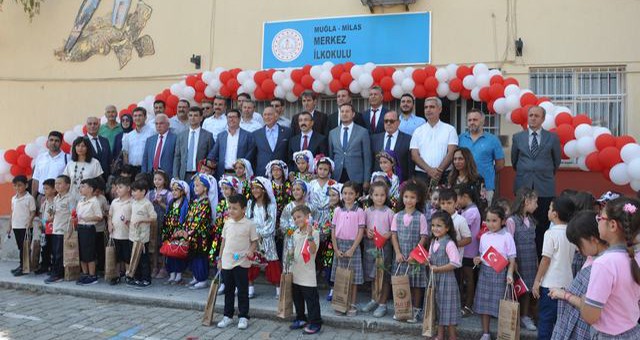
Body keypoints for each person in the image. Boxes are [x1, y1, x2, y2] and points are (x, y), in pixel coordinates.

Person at [580, 197, 640, 338]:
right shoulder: (636, 256)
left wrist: (583, 299)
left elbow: (590, 316)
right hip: (633, 331)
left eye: (599, 217)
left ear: (612, 225)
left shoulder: (605, 263)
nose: (598, 220)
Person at [511, 105, 562, 257]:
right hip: (523, 186)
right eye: (531, 115)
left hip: (544, 187)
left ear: (543, 119)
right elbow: (514, 161)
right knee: (521, 223)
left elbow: (556, 161)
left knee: (542, 226)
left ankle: (541, 257)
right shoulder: (518, 137)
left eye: (536, 116)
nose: (533, 118)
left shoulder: (552, 138)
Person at [548, 210, 606, 340]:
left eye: (579, 244)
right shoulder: (593, 257)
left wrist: (564, 295)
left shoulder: (602, 267)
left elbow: (593, 307)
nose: (578, 249)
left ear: (593, 239)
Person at [532, 195, 577, 340]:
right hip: (567, 284)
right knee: (561, 322)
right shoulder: (571, 233)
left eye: (550, 208)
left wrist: (537, 281)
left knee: (545, 321)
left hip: (550, 284)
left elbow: (546, 259)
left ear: (555, 214)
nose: (548, 211)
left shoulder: (550, 233)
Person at [473, 205, 517, 340]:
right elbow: (483, 254)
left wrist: (509, 274)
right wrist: (478, 259)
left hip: (500, 273)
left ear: (503, 221)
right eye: (488, 220)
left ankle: (502, 333)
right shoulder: (484, 236)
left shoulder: (507, 236)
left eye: (494, 220)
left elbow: (512, 258)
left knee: (500, 305)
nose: (490, 224)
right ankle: (485, 333)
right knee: (484, 304)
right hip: (485, 273)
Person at [216, 194, 259, 330]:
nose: (231, 211)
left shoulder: (250, 224)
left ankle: (243, 316)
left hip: (242, 262)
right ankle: (227, 316)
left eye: (235, 208)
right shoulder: (227, 223)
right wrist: (220, 258)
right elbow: (223, 241)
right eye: (229, 208)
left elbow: (254, 241)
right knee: (228, 290)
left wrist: (251, 250)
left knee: (242, 290)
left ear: (244, 209)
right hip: (227, 261)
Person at [390, 179, 429, 323]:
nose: (409, 200)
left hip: (415, 256)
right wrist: (398, 253)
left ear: (418, 199)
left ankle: (416, 310)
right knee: (401, 282)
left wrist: (414, 254)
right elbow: (393, 235)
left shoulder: (421, 217)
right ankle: (402, 308)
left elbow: (424, 237)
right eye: (406, 197)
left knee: (416, 283)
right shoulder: (397, 216)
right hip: (401, 256)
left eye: (412, 197)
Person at [506, 187, 539, 331]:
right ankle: (515, 316)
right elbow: (509, 241)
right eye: (535, 202)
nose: (537, 205)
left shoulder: (531, 220)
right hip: (519, 259)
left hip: (531, 258)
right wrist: (514, 263)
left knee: (528, 288)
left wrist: (537, 259)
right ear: (526, 201)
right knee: (519, 288)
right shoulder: (512, 221)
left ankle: (525, 316)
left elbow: (533, 242)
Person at [330, 182, 365, 316]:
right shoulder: (338, 210)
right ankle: (340, 303)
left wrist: (352, 249)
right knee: (341, 276)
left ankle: (352, 303)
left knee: (353, 277)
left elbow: (361, 231)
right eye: (345, 193)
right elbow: (333, 230)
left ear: (356, 195)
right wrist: (335, 248)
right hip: (339, 244)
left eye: (351, 193)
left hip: (353, 246)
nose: (347, 196)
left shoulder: (360, 211)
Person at [360, 181, 394, 318]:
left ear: (386, 196)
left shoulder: (390, 212)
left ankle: (383, 303)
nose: (379, 198)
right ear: (371, 196)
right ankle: (374, 299)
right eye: (376, 195)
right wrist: (366, 232)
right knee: (373, 274)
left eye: (382, 195)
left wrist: (388, 234)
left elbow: (393, 230)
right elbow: (363, 228)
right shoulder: (367, 211)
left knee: (384, 275)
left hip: (384, 247)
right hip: (370, 245)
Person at [287, 205, 323, 335]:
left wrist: (309, 235)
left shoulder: (315, 232)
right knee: (298, 298)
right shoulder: (295, 233)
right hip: (296, 271)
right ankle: (301, 318)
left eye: (299, 217)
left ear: (308, 217)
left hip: (307, 274)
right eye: (295, 218)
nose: (297, 220)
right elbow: (294, 249)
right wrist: (290, 254)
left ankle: (315, 322)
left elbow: (313, 250)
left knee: (311, 300)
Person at [458, 109, 504, 204]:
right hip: (463, 185)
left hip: (485, 186)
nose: (472, 122)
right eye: (469, 120)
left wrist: (487, 171)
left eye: (475, 120)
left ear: (483, 121)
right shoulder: (460, 138)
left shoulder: (493, 140)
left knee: (484, 214)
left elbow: (500, 164)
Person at [428, 211, 462, 340]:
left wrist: (438, 269)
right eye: (433, 225)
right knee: (439, 308)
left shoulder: (449, 243)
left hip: (447, 281)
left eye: (439, 226)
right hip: (436, 280)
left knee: (449, 310)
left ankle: (453, 337)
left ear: (447, 228)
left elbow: (455, 263)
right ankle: (440, 336)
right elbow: (431, 258)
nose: (435, 228)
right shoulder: (433, 241)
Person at [246, 177, 281, 298]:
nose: (254, 190)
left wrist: (259, 233)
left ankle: (278, 289)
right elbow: (248, 220)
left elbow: (271, 224)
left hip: (267, 239)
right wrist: (253, 234)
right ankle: (250, 287)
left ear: (264, 190)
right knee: (251, 261)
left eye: (257, 188)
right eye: (253, 188)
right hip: (253, 239)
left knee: (272, 261)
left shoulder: (271, 205)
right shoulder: (250, 204)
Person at [410, 97, 458, 185]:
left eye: (432, 107)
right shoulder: (418, 131)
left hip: (444, 174)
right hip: (422, 174)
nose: (428, 110)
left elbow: (452, 153)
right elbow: (414, 155)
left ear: (440, 109)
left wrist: (438, 171)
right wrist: (429, 170)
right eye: (426, 107)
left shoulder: (450, 129)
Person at [184, 175, 216, 289]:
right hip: (192, 235)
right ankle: (196, 276)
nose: (195, 188)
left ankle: (202, 278)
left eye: (198, 186)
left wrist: (191, 230)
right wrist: (186, 229)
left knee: (201, 256)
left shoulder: (205, 202)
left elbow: (201, 219)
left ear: (205, 188)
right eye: (194, 186)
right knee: (193, 255)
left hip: (201, 236)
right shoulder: (195, 201)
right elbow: (189, 217)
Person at [328, 103, 372, 185]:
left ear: (353, 114)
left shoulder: (363, 132)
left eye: (347, 111)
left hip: (356, 176)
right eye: (342, 111)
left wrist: (366, 180)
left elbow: (367, 158)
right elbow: (331, 156)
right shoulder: (332, 133)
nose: (344, 114)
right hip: (337, 175)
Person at [208, 109, 256, 179]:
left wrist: (241, 168)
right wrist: (208, 161)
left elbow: (250, 155)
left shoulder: (248, 136)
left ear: (239, 119)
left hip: (241, 175)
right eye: (229, 117)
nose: (231, 119)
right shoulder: (221, 136)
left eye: (234, 117)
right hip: (223, 175)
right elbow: (213, 153)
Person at [457, 184, 482, 318]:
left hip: (469, 251)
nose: (457, 201)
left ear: (465, 197)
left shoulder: (471, 212)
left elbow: (461, 229)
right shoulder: (467, 210)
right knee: (464, 277)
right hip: (464, 250)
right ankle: (463, 303)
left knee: (469, 277)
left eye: (458, 198)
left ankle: (468, 305)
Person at [126, 179, 157, 288]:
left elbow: (153, 218)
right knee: (134, 257)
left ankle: (146, 279)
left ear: (143, 192)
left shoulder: (147, 204)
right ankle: (137, 277)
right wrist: (128, 222)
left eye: (135, 191)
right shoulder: (133, 203)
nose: (133, 193)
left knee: (143, 259)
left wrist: (142, 220)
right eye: (132, 191)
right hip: (132, 235)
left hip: (143, 237)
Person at [44, 175, 74, 284]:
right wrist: (47, 219)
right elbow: (52, 213)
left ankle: (58, 275)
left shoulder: (70, 198)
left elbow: (73, 214)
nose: (57, 185)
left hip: (64, 230)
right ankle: (55, 271)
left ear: (67, 185)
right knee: (55, 252)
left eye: (60, 183)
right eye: (56, 183)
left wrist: (70, 229)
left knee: (60, 254)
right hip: (55, 229)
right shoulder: (56, 198)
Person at [75, 178, 103, 285]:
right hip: (80, 227)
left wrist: (88, 218)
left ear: (91, 189)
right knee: (81, 252)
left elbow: (99, 216)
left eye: (83, 186)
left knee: (89, 253)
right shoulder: (81, 201)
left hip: (89, 228)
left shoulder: (94, 201)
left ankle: (92, 275)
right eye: (80, 186)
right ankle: (85, 273)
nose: (80, 188)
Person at [173, 107, 214, 180]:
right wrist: (176, 176)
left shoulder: (208, 136)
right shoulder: (181, 136)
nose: (193, 118)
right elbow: (177, 157)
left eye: (195, 115)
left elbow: (211, 157)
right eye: (190, 115)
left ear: (201, 118)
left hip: (201, 175)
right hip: (183, 175)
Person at [370, 110, 413, 181]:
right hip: (378, 182)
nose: (388, 123)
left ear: (398, 123)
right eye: (386, 121)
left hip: (400, 182)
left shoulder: (408, 139)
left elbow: (410, 164)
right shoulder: (375, 138)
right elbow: (371, 160)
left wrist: (409, 181)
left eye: (391, 121)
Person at [162, 179, 190, 285]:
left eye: (176, 190)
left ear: (182, 192)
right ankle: (171, 274)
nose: (173, 192)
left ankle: (178, 275)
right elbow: (167, 215)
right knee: (170, 253)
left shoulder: (185, 204)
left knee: (178, 253)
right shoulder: (171, 203)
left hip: (180, 232)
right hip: (170, 232)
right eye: (172, 190)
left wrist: (182, 231)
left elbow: (186, 218)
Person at [9, 176, 36, 277]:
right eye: (15, 186)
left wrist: (30, 221)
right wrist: (9, 226)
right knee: (21, 247)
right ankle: (22, 265)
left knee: (25, 248)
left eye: (20, 185)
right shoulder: (13, 198)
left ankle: (24, 268)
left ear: (26, 185)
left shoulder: (29, 198)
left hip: (25, 227)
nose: (17, 188)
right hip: (16, 226)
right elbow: (12, 212)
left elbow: (33, 211)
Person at [253, 106, 292, 177]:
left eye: (270, 114)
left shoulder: (287, 132)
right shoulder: (256, 134)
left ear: (276, 116)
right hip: (262, 174)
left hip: (282, 175)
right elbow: (253, 156)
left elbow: (290, 154)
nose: (267, 117)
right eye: (265, 115)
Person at [107, 177, 132, 285]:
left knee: (127, 256)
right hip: (115, 234)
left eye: (120, 187)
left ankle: (128, 274)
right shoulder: (114, 202)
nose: (118, 190)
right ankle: (116, 275)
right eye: (117, 188)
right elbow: (110, 215)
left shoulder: (132, 202)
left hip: (127, 234)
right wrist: (109, 224)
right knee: (116, 257)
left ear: (128, 188)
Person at [147, 170, 171, 279]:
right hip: (153, 223)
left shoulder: (168, 193)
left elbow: (170, 209)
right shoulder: (150, 193)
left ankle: (164, 267)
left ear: (165, 181)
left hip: (164, 222)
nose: (157, 181)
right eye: (155, 179)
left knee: (163, 245)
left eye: (160, 179)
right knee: (154, 244)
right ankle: (154, 266)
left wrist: (161, 203)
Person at [63, 137, 103, 201]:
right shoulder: (70, 163)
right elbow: (65, 181)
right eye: (78, 146)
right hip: (72, 198)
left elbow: (100, 182)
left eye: (83, 146)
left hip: (88, 198)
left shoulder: (94, 162)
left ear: (88, 148)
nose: (80, 148)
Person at [266, 160, 291, 261]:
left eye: (278, 170)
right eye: (273, 170)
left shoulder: (288, 185)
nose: (276, 172)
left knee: (282, 241)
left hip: (284, 217)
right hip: (271, 217)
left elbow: (290, 201)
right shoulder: (268, 185)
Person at [438, 188, 472, 261]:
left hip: (454, 261)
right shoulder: (436, 219)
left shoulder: (461, 220)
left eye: (449, 203)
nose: (446, 206)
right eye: (443, 203)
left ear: (456, 203)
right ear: (439, 204)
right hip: (438, 260)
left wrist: (452, 245)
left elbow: (468, 239)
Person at [32, 131, 67, 198]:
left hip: (59, 197)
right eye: (51, 140)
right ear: (47, 142)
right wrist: (33, 198)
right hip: (41, 197)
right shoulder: (41, 157)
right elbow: (35, 179)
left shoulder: (67, 158)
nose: (53, 143)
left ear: (61, 143)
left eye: (57, 141)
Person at [142, 114, 177, 178]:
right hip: (151, 175)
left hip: (167, 175)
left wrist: (174, 176)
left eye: (161, 123)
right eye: (156, 124)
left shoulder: (175, 138)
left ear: (168, 124)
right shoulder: (150, 140)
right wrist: (144, 175)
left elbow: (177, 159)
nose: (158, 126)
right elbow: (145, 159)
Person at [36, 179, 56, 275]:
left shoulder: (55, 202)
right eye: (44, 189)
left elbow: (52, 217)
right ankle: (44, 265)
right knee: (44, 248)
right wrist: (41, 222)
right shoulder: (44, 201)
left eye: (47, 188)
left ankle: (53, 267)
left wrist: (44, 221)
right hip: (45, 228)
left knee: (53, 248)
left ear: (54, 189)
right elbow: (41, 213)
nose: (45, 191)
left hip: (52, 229)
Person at [85, 116, 112, 181]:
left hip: (105, 178)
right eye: (90, 124)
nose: (92, 126)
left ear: (99, 125)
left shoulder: (105, 141)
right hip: (89, 179)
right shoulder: (82, 141)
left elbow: (109, 160)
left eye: (95, 124)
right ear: (86, 126)